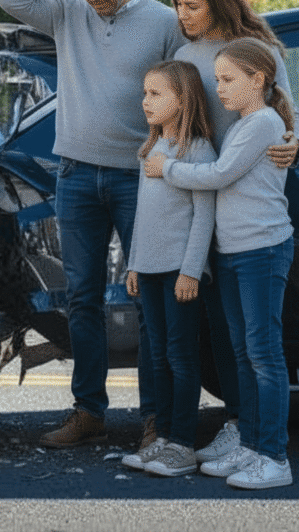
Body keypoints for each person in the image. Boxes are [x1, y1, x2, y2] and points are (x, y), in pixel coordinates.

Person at [0, 0, 184, 447]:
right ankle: (89, 411)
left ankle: (156, 419)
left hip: (137, 179)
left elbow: (184, 98)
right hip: (75, 175)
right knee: (81, 299)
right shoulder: (66, 14)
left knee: (151, 298)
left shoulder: (165, 24)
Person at [146, 38, 294, 490]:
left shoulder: (263, 123)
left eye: (229, 80)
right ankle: (250, 443)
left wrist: (165, 168)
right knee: (244, 354)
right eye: (217, 81)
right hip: (234, 252)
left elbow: (218, 175)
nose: (221, 89)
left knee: (264, 354)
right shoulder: (245, 123)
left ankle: (273, 456)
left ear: (258, 79)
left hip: (261, 250)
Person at [169, 0, 298, 466]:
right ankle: (241, 427)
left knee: (258, 336)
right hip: (203, 203)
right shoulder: (183, 54)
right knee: (224, 329)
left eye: (192, 5)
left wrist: (295, 142)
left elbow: (285, 111)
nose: (183, 14)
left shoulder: (259, 51)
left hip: (252, 201)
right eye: (178, 4)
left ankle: (260, 441)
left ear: (218, 0)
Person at [121, 60, 217, 476]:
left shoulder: (197, 150)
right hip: (151, 270)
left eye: (156, 94)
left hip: (181, 273)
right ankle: (161, 437)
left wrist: (191, 270)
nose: (146, 101)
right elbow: (143, 217)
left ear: (183, 100)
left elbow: (203, 217)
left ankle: (182, 443)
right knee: (157, 354)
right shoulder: (151, 149)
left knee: (181, 356)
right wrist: (134, 265)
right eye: (145, 93)